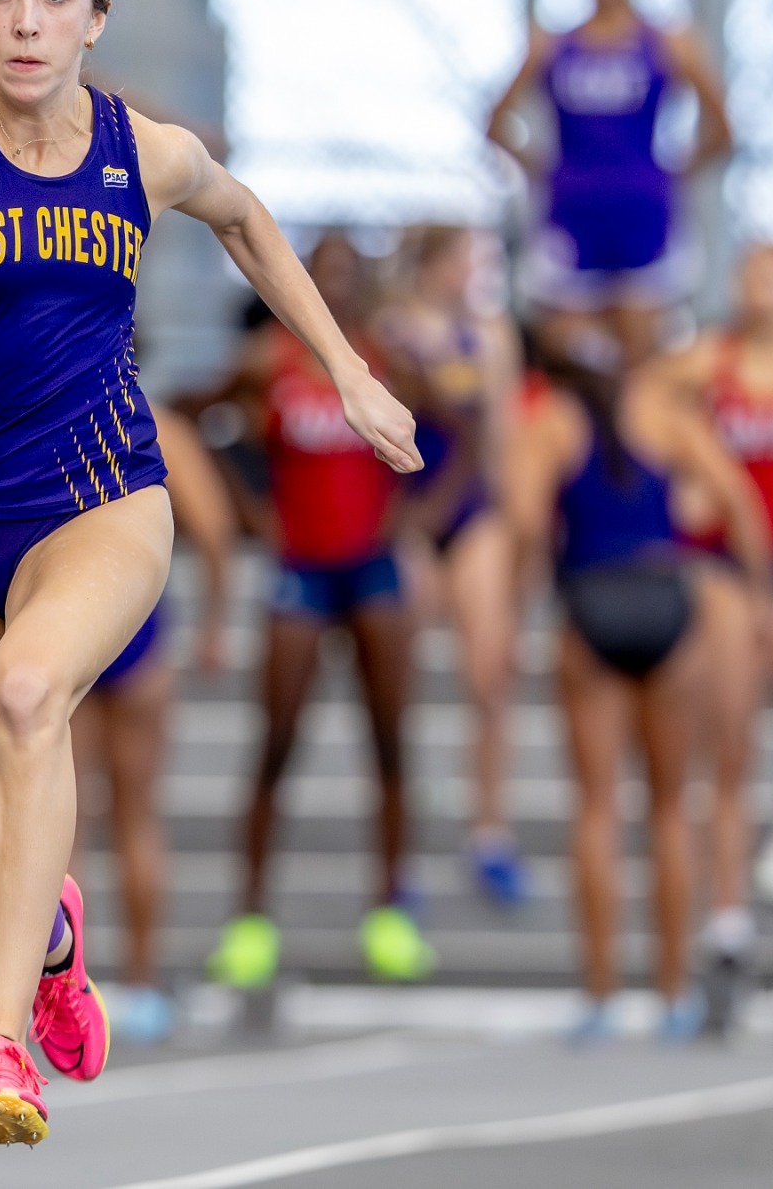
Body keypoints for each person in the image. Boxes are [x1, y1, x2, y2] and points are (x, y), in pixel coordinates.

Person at [0, 0, 418, 1145]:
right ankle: (55, 939)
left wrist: (343, 366)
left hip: (99, 495)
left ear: (93, 18)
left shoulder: (141, 149)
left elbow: (241, 216)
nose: (27, 20)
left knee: (29, 695)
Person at [507, 332, 770, 1044]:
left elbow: (527, 524)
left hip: (591, 604)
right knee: (668, 807)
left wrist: (524, 605)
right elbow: (742, 504)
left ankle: (599, 993)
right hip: (666, 601)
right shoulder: (664, 416)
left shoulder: (552, 420)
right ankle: (674, 991)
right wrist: (764, 603)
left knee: (595, 806)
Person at [209, 231, 431, 993]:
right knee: (275, 740)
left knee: (390, 740)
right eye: (321, 271)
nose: (334, 284)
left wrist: (414, 515)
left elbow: (458, 430)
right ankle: (250, 918)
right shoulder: (271, 360)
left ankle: (391, 909)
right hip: (299, 567)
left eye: (345, 273)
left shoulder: (385, 362)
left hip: (372, 566)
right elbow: (199, 417)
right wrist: (252, 511)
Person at [660, 244, 773, 1033]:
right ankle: (729, 930)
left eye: (769, 273)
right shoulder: (712, 361)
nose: (752, 286)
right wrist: (688, 484)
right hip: (734, 583)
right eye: (744, 273)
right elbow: (644, 406)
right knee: (727, 751)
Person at [488, 0, 732, 367]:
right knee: (571, 353)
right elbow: (497, 122)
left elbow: (722, 126)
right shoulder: (551, 44)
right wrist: (541, 168)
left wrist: (674, 172)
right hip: (571, 215)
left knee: (639, 357)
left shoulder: (668, 42)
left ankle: (634, 434)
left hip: (643, 217)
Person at [70, 403, 234, 1045]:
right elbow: (215, 529)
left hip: (74, 621)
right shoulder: (155, 419)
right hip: (136, 625)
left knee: (65, 820)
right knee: (134, 815)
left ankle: (64, 986)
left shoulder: (55, 407)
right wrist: (215, 622)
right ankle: (138, 984)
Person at [375, 225, 525, 906]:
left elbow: (501, 437)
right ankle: (404, 847)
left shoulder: (489, 336)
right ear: (435, 264)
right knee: (401, 683)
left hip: (471, 512)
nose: (474, 273)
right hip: (411, 513)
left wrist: (519, 530)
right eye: (466, 260)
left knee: (489, 671)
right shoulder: (392, 329)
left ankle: (489, 830)